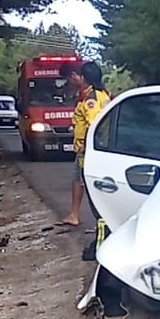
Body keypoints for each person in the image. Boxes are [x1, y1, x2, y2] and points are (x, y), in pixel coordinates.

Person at [58, 61, 111, 229]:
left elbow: (94, 124)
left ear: (82, 77)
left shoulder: (91, 99)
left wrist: (89, 150)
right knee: (79, 181)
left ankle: (101, 224)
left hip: (88, 151)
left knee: (91, 187)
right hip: (91, 149)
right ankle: (77, 215)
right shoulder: (102, 94)